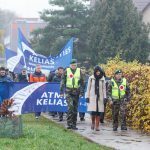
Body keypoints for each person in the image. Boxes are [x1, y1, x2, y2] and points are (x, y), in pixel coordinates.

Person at [60, 59, 84, 130]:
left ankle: (74, 124)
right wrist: (61, 92)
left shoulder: (79, 71)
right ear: (70, 65)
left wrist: (82, 92)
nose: (74, 66)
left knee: (75, 109)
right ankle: (69, 124)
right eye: (73, 65)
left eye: (75, 65)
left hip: (76, 92)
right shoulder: (66, 71)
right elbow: (62, 82)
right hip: (68, 92)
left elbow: (82, 82)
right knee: (70, 107)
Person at [85, 65, 106, 131]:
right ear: (95, 71)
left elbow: (104, 89)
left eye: (99, 71)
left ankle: (97, 126)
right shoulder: (91, 78)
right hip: (92, 97)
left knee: (99, 112)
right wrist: (87, 97)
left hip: (100, 97)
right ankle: (93, 123)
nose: (98, 72)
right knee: (93, 112)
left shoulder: (102, 78)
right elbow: (88, 88)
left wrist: (105, 97)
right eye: (97, 71)